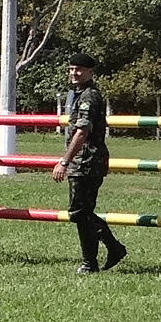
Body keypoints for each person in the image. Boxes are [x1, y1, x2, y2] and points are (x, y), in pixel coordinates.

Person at [53, 55, 127, 273]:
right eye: (71, 69)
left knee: (80, 212)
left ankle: (95, 259)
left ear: (90, 72)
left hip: (87, 161)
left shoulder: (89, 96)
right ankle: (107, 251)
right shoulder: (78, 95)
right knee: (81, 212)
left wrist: (65, 161)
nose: (74, 73)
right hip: (83, 161)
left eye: (79, 70)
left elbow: (82, 132)